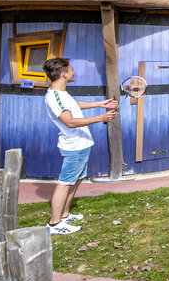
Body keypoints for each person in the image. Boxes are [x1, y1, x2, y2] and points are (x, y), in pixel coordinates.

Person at [43, 57, 117, 235]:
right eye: (71, 70)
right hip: (73, 147)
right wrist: (101, 118)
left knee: (75, 180)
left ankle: (65, 214)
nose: (73, 72)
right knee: (65, 183)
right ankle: (54, 224)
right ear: (63, 74)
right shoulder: (54, 97)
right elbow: (69, 122)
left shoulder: (61, 94)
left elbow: (74, 105)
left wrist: (100, 104)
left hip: (80, 145)